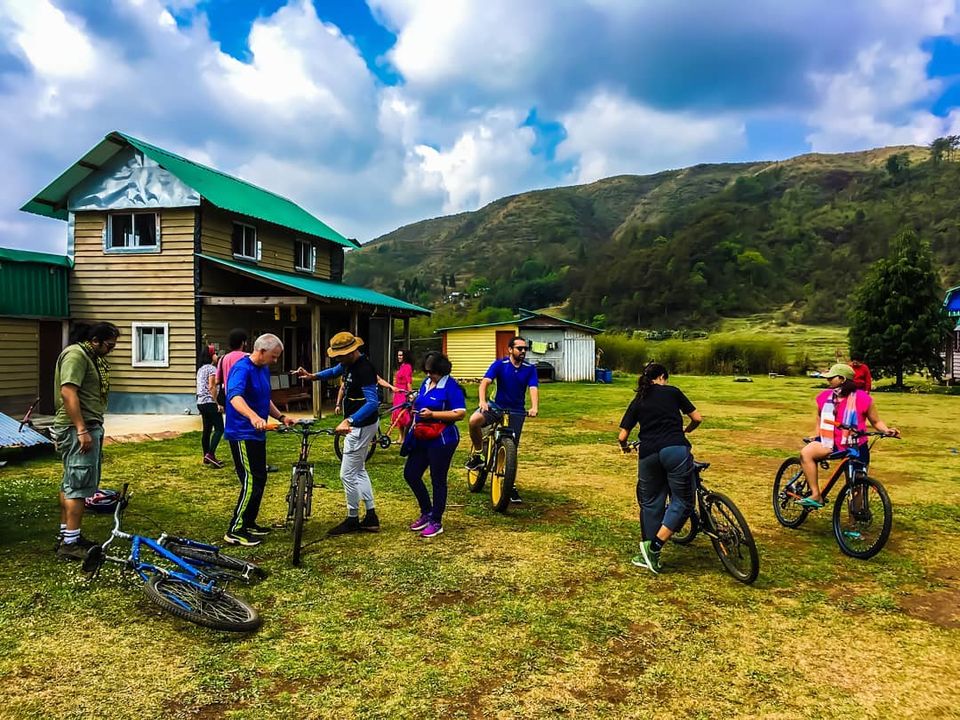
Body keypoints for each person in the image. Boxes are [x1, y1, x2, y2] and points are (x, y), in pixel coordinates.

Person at [617, 362, 702, 575]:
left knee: (650, 502)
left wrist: (626, 448)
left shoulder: (638, 400)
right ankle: (654, 547)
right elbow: (697, 418)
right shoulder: (672, 392)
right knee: (683, 501)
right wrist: (686, 429)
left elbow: (622, 436)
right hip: (675, 449)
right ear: (662, 376)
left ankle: (648, 550)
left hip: (648, 454)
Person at [296, 331, 383, 535]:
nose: (337, 358)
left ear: (352, 351)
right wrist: (312, 376)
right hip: (360, 425)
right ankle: (371, 517)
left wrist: (350, 419)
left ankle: (352, 519)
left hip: (360, 426)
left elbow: (373, 402)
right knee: (359, 470)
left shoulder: (364, 369)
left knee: (347, 474)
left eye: (340, 354)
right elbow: (334, 371)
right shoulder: (348, 364)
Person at [52, 322, 120, 561]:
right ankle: (70, 543)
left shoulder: (88, 356)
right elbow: (68, 392)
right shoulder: (76, 355)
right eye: (109, 345)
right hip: (78, 428)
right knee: (78, 486)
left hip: (82, 425)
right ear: (95, 340)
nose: (111, 350)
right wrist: (81, 429)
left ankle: (67, 535)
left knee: (71, 483)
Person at [223, 333, 294, 546]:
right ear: (261, 351)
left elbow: (265, 399)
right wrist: (253, 416)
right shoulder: (242, 368)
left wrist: (281, 416)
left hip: (258, 433)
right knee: (251, 480)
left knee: (260, 478)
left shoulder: (262, 369)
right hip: (242, 433)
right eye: (273, 356)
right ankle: (235, 529)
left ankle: (249, 522)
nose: (275, 361)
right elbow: (234, 396)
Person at [798, 363, 899, 509]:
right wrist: (817, 433)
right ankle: (815, 494)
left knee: (857, 483)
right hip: (830, 442)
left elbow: (876, 421)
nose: (828, 380)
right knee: (806, 453)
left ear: (842, 379)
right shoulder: (824, 397)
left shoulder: (863, 398)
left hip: (856, 445)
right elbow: (820, 416)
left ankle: (855, 521)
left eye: (831, 377)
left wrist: (886, 430)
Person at [466, 336, 539, 502]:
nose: (523, 351)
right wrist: (482, 401)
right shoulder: (500, 364)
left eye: (525, 349)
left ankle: (509, 484)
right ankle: (478, 454)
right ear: (510, 349)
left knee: (511, 447)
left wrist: (534, 407)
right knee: (474, 420)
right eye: (519, 348)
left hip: (516, 411)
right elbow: (485, 382)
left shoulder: (530, 368)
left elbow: (533, 388)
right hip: (495, 407)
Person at [403, 351, 466, 538]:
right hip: (421, 436)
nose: (429, 375)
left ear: (442, 370)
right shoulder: (425, 383)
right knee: (411, 474)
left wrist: (433, 415)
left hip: (443, 439)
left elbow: (459, 413)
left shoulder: (451, 387)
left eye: (433, 372)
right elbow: (421, 399)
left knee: (438, 480)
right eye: (427, 371)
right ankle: (426, 511)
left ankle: (436, 520)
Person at [196, 344, 224, 468]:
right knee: (219, 429)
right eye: (215, 353)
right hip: (210, 402)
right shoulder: (212, 369)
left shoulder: (201, 369)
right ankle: (211, 454)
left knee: (207, 430)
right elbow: (212, 386)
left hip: (201, 403)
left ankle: (206, 456)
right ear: (210, 356)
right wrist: (218, 403)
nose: (216, 356)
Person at [392, 349, 415, 442]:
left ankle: (405, 437)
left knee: (404, 416)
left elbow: (408, 381)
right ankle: (400, 437)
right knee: (397, 416)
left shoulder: (407, 367)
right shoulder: (401, 366)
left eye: (401, 355)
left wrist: (410, 394)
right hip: (397, 394)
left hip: (403, 394)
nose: (399, 357)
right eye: (398, 355)